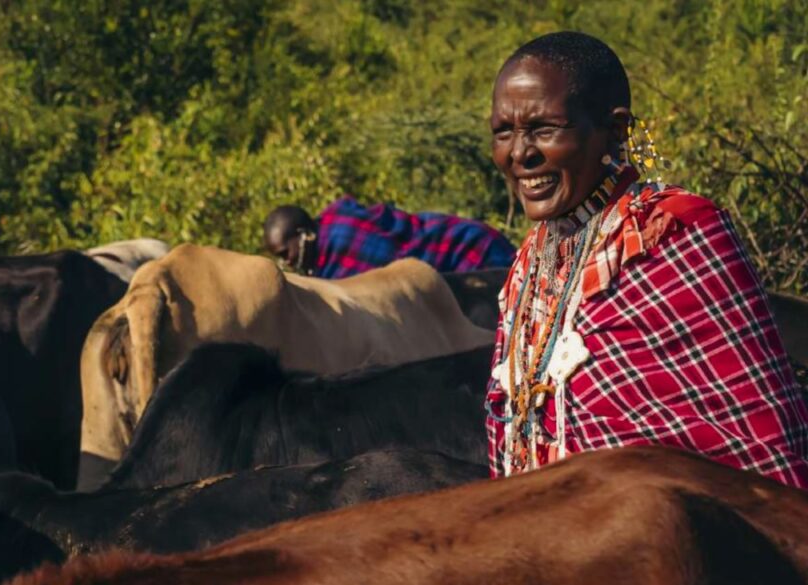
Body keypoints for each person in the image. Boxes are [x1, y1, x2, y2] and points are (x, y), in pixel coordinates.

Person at [484, 31, 808, 487]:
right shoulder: (530, 263)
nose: (520, 154)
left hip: (689, 525)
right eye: (504, 132)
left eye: (544, 129)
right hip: (546, 521)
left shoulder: (673, 231)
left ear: (615, 131)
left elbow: (760, 442)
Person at [262, 198, 516, 278]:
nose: (287, 262)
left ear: (303, 235)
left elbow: (396, 281)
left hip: (470, 251)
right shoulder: (329, 234)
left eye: (285, 252)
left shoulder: (343, 240)